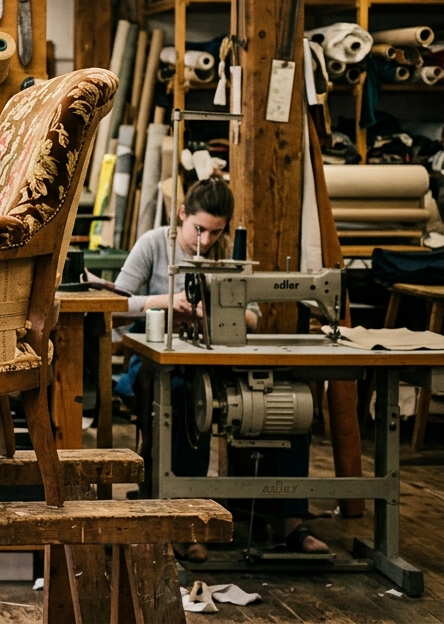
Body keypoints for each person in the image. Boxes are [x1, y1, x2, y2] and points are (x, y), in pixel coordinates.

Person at [114, 178, 327, 560]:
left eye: (215, 231)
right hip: (155, 362)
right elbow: (115, 306)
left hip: (217, 362)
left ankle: (293, 522)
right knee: (183, 400)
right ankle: (186, 518)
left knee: (288, 403)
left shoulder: (229, 253)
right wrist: (167, 301)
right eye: (199, 229)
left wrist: (221, 311)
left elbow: (255, 318)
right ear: (182, 215)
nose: (206, 240)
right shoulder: (153, 245)